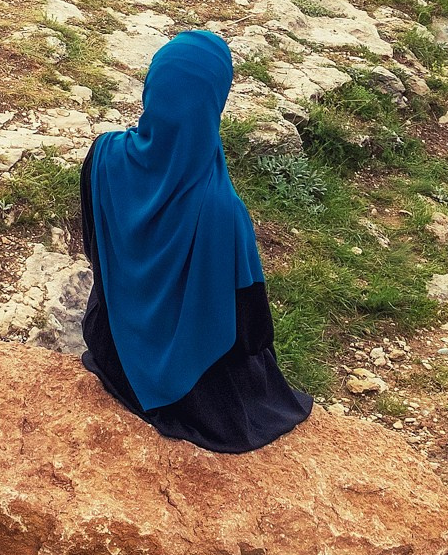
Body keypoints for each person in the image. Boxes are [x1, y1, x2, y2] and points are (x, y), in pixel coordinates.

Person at [79, 25, 312, 454]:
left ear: (152, 88)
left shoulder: (103, 155)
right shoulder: (221, 209)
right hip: (194, 394)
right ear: (215, 101)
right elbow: (250, 332)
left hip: (112, 348)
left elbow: (95, 249)